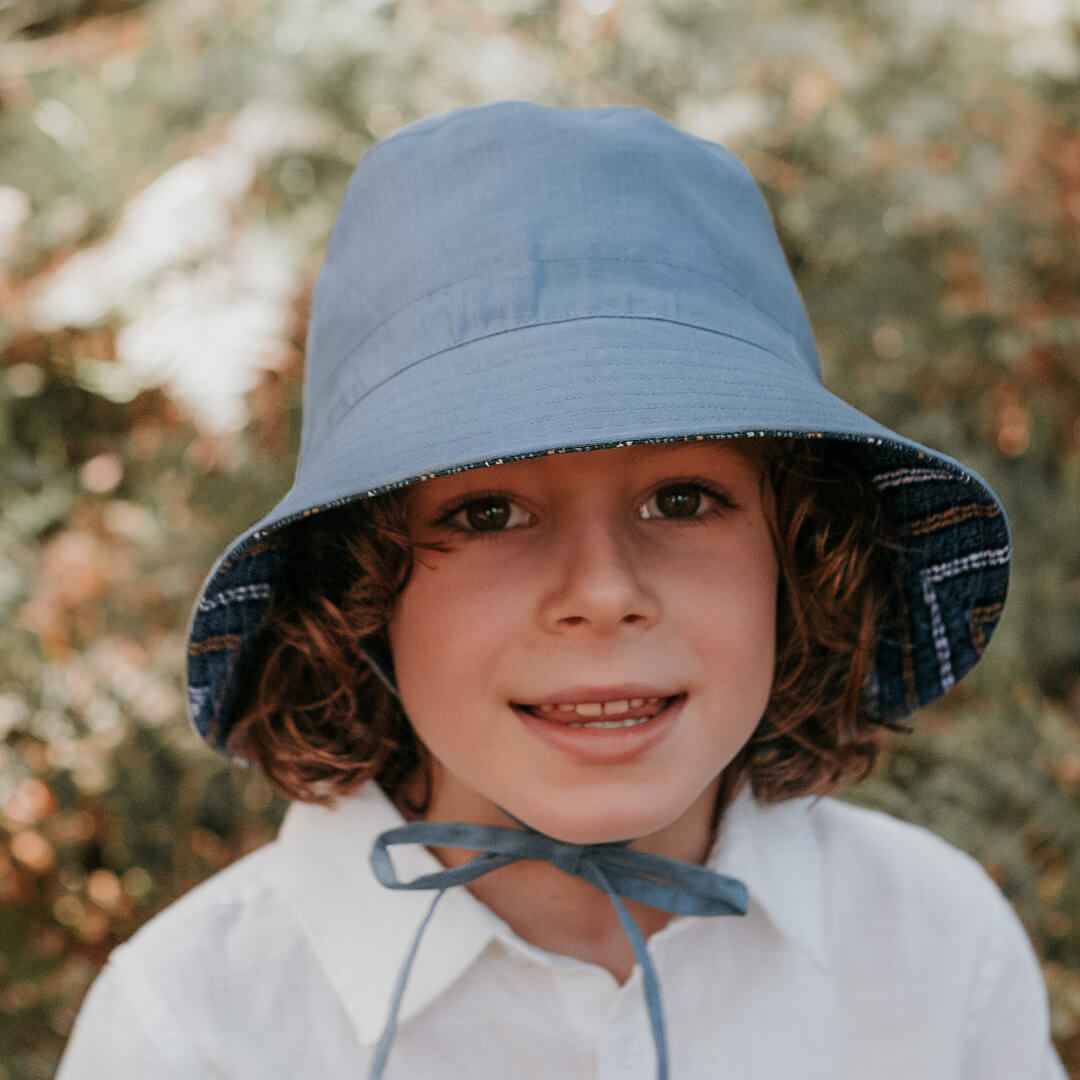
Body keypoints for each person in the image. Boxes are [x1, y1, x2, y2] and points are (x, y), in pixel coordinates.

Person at [56, 100, 1067, 1079]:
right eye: (488, 512)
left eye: (681, 499)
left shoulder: (937, 950)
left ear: (799, 553)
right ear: (355, 588)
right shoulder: (192, 1033)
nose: (604, 591)